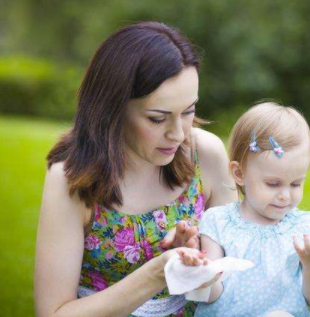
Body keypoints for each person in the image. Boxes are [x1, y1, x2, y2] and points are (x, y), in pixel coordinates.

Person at [34, 21, 236, 317]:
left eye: (189, 111)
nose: (179, 134)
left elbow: (238, 269)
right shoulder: (71, 179)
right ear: (113, 109)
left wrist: (200, 263)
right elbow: (52, 313)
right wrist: (158, 273)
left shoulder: (205, 153)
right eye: (157, 118)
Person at [179, 102, 310, 317]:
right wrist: (200, 274)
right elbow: (211, 295)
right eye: (273, 184)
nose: (285, 195)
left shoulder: (305, 230)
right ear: (239, 173)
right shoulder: (218, 223)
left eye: (296, 184)